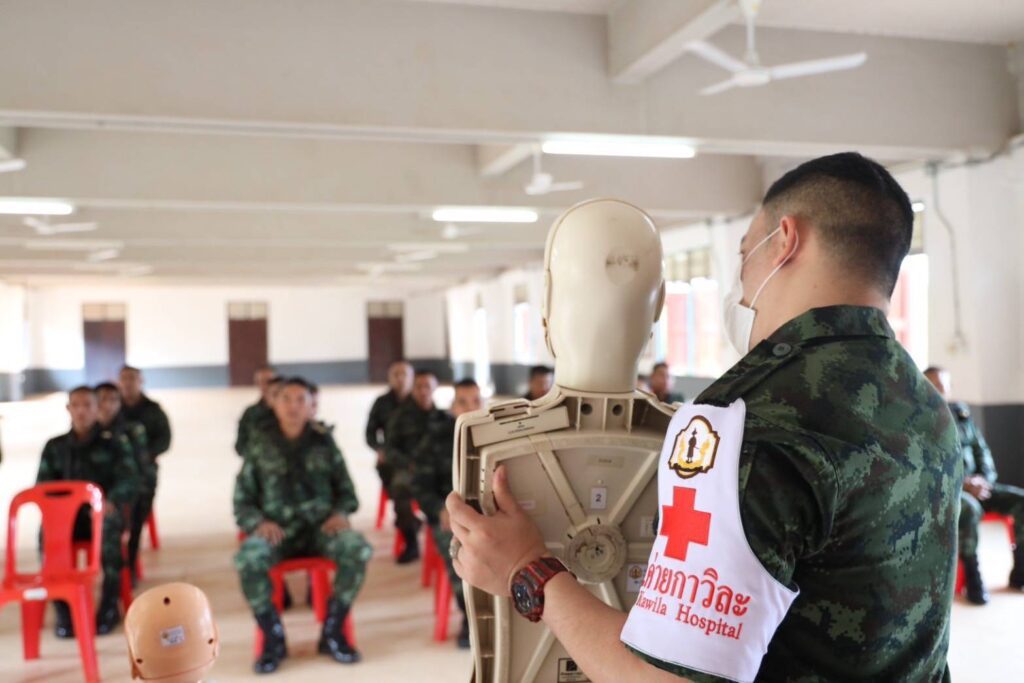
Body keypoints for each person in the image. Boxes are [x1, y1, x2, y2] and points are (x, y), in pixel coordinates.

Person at [447, 153, 961, 681]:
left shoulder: (741, 425)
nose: (742, 284)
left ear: (785, 240)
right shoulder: (925, 405)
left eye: (744, 253)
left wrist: (527, 569)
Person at [234, 377, 371, 674]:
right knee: (248, 558)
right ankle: (273, 637)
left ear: (312, 406)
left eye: (301, 400)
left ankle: (333, 631)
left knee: (357, 549)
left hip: (322, 530)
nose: (293, 406)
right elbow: (242, 501)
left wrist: (340, 513)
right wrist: (259, 522)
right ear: (274, 403)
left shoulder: (325, 442)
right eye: (286, 399)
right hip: (277, 533)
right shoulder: (259, 444)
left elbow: (348, 493)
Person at [37, 385, 141, 636]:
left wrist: (111, 501)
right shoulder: (55, 446)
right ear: (68, 409)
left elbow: (130, 480)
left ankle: (109, 607)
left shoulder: (114, 443)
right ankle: (64, 611)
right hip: (68, 519)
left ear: (97, 408)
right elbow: (43, 487)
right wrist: (59, 511)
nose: (81, 411)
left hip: (102, 516)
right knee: (47, 536)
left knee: (109, 535)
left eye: (87, 405)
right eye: (76, 405)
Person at [925, 366, 1024, 604]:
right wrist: (963, 484)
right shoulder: (918, 420)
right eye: (933, 385)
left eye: (943, 386)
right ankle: (973, 576)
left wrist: (984, 480)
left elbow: (982, 452)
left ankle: (1020, 571)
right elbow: (927, 468)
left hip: (979, 485)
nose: (939, 390)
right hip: (950, 491)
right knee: (969, 509)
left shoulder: (961, 416)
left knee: (1021, 500)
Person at [412, 378, 482, 648]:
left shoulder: (498, 434)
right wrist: (439, 509)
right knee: (459, 550)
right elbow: (420, 486)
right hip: (449, 516)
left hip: (488, 514)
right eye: (463, 402)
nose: (470, 407)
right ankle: (470, 617)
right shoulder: (435, 439)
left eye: (476, 401)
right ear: (453, 406)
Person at [118, 365, 172, 579]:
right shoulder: (112, 408)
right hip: (115, 473)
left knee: (137, 513)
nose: (128, 383)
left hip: (143, 472)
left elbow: (165, 440)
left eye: (132, 378)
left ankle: (130, 563)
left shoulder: (153, 410)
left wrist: (145, 455)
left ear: (141, 381)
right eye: (124, 378)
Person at [385, 369, 444, 564]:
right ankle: (411, 542)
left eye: (427, 386)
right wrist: (407, 463)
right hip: (409, 469)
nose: (423, 391)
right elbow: (390, 448)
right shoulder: (399, 416)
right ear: (413, 388)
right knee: (399, 489)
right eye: (419, 386)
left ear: (435, 388)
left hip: (437, 474)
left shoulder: (442, 417)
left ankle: (443, 537)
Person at [96, 381, 151, 584]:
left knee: (136, 504)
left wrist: (114, 498)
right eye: (102, 400)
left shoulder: (131, 430)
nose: (107, 405)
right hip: (93, 499)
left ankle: (128, 565)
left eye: (113, 400)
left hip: (124, 494)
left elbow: (138, 470)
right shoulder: (83, 435)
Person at [235, 366, 279, 457]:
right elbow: (240, 446)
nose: (266, 385)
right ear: (257, 384)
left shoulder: (291, 410)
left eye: (270, 381)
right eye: (262, 381)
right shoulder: (250, 413)